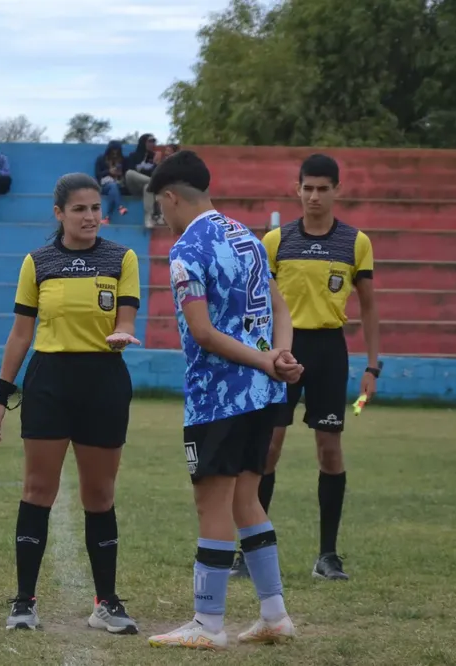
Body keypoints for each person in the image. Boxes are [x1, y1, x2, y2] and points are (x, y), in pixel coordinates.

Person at [144, 151, 298, 649]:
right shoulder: (247, 238)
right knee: (247, 500)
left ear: (171, 197)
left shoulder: (188, 249)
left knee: (210, 502)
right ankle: (274, 615)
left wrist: (264, 360)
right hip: (264, 394)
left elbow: (204, 334)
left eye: (159, 205)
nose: (161, 216)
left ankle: (208, 624)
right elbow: (280, 305)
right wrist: (280, 356)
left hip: (218, 399)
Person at [0, 172, 142, 635]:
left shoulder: (122, 257)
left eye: (95, 208)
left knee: (100, 494)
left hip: (104, 381)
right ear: (59, 214)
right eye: (79, 209)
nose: (90, 216)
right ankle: (24, 601)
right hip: (49, 381)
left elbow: (127, 316)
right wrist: (1, 392)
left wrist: (120, 334)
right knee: (38, 489)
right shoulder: (38, 261)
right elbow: (21, 334)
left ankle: (106, 603)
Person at [251, 153, 380, 582]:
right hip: (283, 350)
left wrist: (373, 366)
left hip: (328, 350)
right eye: (308, 187)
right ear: (297, 189)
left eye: (323, 188)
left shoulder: (356, 243)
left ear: (336, 191)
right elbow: (260, 304)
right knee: (268, 448)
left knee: (329, 450)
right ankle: (251, 551)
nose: (314, 196)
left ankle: (328, 555)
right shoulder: (276, 241)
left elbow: (368, 307)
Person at [94, 140, 128, 225]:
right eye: (113, 152)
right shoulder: (101, 159)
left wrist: (120, 174)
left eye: (117, 152)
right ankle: (120, 206)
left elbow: (126, 174)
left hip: (119, 185)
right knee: (112, 187)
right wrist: (109, 172)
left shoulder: (123, 160)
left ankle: (107, 218)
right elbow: (98, 174)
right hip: (105, 185)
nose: (115, 154)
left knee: (113, 190)